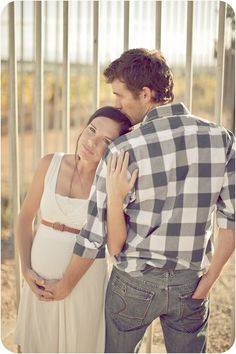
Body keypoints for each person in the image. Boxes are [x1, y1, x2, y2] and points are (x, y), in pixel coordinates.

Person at [44, 49, 235, 353]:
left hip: (133, 284)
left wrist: (65, 284)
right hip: (192, 284)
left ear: (145, 94)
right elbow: (231, 221)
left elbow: (96, 235)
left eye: (120, 95)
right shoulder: (221, 139)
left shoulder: (123, 148)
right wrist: (209, 280)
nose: (116, 104)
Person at [13, 106, 132, 353]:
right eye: (91, 129)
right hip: (39, 282)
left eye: (105, 140)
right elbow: (25, 219)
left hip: (83, 285)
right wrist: (25, 270)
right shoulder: (49, 163)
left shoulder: (108, 182)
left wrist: (116, 196)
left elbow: (114, 244)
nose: (91, 141)